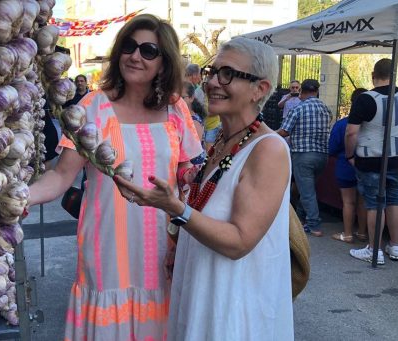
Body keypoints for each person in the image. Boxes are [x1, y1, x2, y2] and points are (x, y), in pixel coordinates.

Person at [27, 14, 202, 340]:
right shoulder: (94, 106)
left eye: (149, 50)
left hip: (165, 249)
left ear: (164, 63)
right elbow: (62, 176)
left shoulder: (176, 109)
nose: (135, 56)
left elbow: (187, 171)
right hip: (108, 250)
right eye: (129, 47)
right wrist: (22, 197)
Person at [114, 37, 293, 340]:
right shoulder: (222, 143)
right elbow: (203, 207)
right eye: (213, 71)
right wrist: (177, 237)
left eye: (228, 74)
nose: (212, 83)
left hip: (235, 309)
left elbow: (238, 242)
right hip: (201, 293)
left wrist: (175, 208)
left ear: (259, 89)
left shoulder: (269, 150)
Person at [346, 58, 398, 264]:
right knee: (395, 200)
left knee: (375, 203)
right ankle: (395, 246)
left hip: (372, 158)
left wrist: (350, 155)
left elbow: (351, 132)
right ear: (395, 75)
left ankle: (374, 250)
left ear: (373, 75)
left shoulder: (365, 99)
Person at [277, 79, 331, 237]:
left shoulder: (299, 108)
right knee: (307, 187)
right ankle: (301, 216)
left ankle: (314, 224)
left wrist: (268, 135)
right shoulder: (325, 108)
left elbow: (285, 131)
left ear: (302, 91)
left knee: (307, 191)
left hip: (303, 154)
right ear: (317, 91)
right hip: (322, 155)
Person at [329, 88, 368, 243]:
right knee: (363, 201)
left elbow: (332, 147)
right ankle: (363, 232)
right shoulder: (371, 125)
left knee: (348, 202)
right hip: (366, 165)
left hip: (345, 166)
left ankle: (348, 233)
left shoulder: (342, 124)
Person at [182, 81, 207, 165]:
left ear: (191, 98)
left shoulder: (194, 122)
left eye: (182, 97)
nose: (178, 101)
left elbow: (192, 152)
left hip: (193, 167)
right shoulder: (182, 117)